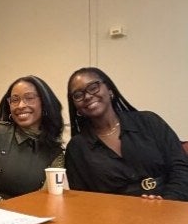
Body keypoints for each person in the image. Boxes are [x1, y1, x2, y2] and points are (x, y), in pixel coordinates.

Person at [65, 66, 188, 200]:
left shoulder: (149, 122)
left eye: (93, 87)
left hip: (172, 208)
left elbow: (181, 168)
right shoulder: (77, 147)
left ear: (109, 90)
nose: (87, 96)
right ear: (76, 107)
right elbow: (83, 198)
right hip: (116, 217)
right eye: (78, 95)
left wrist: (167, 203)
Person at [0, 75, 64, 201]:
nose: (21, 105)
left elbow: (47, 200)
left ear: (45, 102)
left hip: (25, 216)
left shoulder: (55, 154)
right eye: (14, 100)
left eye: (29, 98)